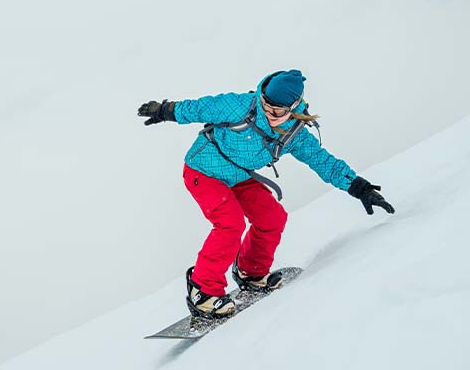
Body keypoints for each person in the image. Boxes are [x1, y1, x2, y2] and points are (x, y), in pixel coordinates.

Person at [137, 70, 395, 318]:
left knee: (272, 217)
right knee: (230, 223)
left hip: (238, 176)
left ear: (294, 108)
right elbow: (199, 108)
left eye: (278, 111)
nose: (269, 113)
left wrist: (358, 186)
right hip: (203, 171)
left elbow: (322, 161)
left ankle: (251, 271)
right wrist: (164, 110)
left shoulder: (295, 135)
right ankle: (202, 290)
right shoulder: (240, 106)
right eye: (266, 106)